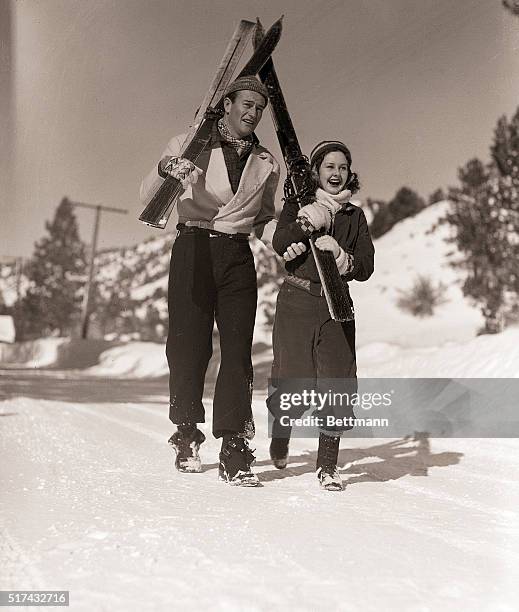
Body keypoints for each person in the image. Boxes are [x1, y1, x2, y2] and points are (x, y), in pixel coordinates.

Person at [140, 77, 280, 487]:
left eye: (259, 108)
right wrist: (168, 168)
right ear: (228, 104)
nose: (253, 113)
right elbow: (147, 196)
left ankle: (234, 446)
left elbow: (262, 219)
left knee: (238, 351)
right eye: (246, 104)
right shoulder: (188, 143)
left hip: (237, 255)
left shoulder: (267, 162)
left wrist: (290, 241)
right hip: (194, 245)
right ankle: (186, 432)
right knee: (188, 347)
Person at [268, 140, 375, 491]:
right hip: (297, 300)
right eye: (329, 166)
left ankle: (327, 466)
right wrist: (303, 226)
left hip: (336, 305)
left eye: (343, 167)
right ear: (316, 171)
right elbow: (280, 241)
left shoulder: (354, 216)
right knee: (294, 380)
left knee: (338, 382)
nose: (336, 173)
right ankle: (281, 430)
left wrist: (344, 258)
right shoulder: (298, 204)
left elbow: (366, 266)